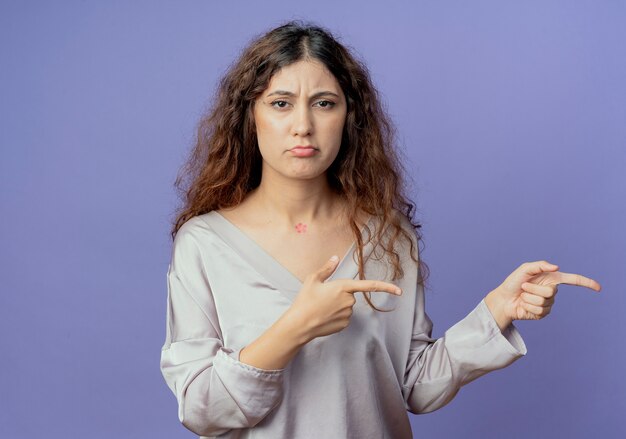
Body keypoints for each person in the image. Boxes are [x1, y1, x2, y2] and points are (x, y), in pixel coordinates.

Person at [159, 20, 601, 439]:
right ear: (250, 116)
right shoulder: (204, 243)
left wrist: (495, 313)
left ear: (349, 117)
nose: (303, 126)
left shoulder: (389, 237)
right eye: (280, 103)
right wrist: (295, 326)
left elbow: (413, 386)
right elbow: (201, 409)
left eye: (324, 103)